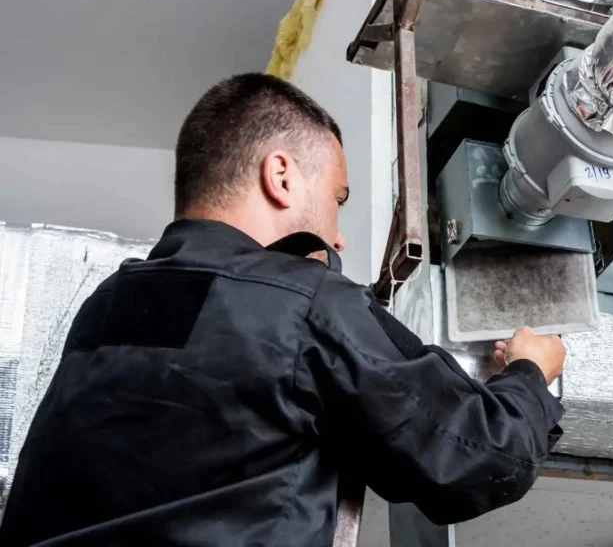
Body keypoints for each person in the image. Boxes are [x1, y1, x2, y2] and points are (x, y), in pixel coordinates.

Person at [0, 73, 566, 546]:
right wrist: (531, 372)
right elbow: (480, 455)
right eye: (337, 199)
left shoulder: (103, 307)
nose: (338, 237)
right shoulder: (300, 301)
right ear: (281, 176)